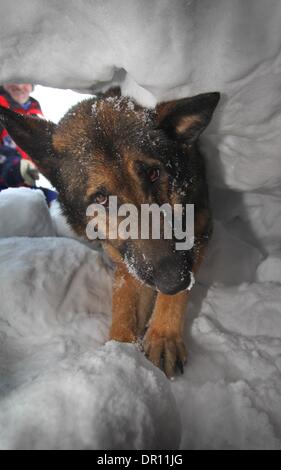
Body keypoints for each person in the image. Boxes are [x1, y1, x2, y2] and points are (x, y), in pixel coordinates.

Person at [0, 83, 57, 204]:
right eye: (13, 79)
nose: (20, 86)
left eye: (25, 80)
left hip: (26, 188)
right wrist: (16, 167)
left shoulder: (34, 111)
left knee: (58, 204)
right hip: (4, 190)